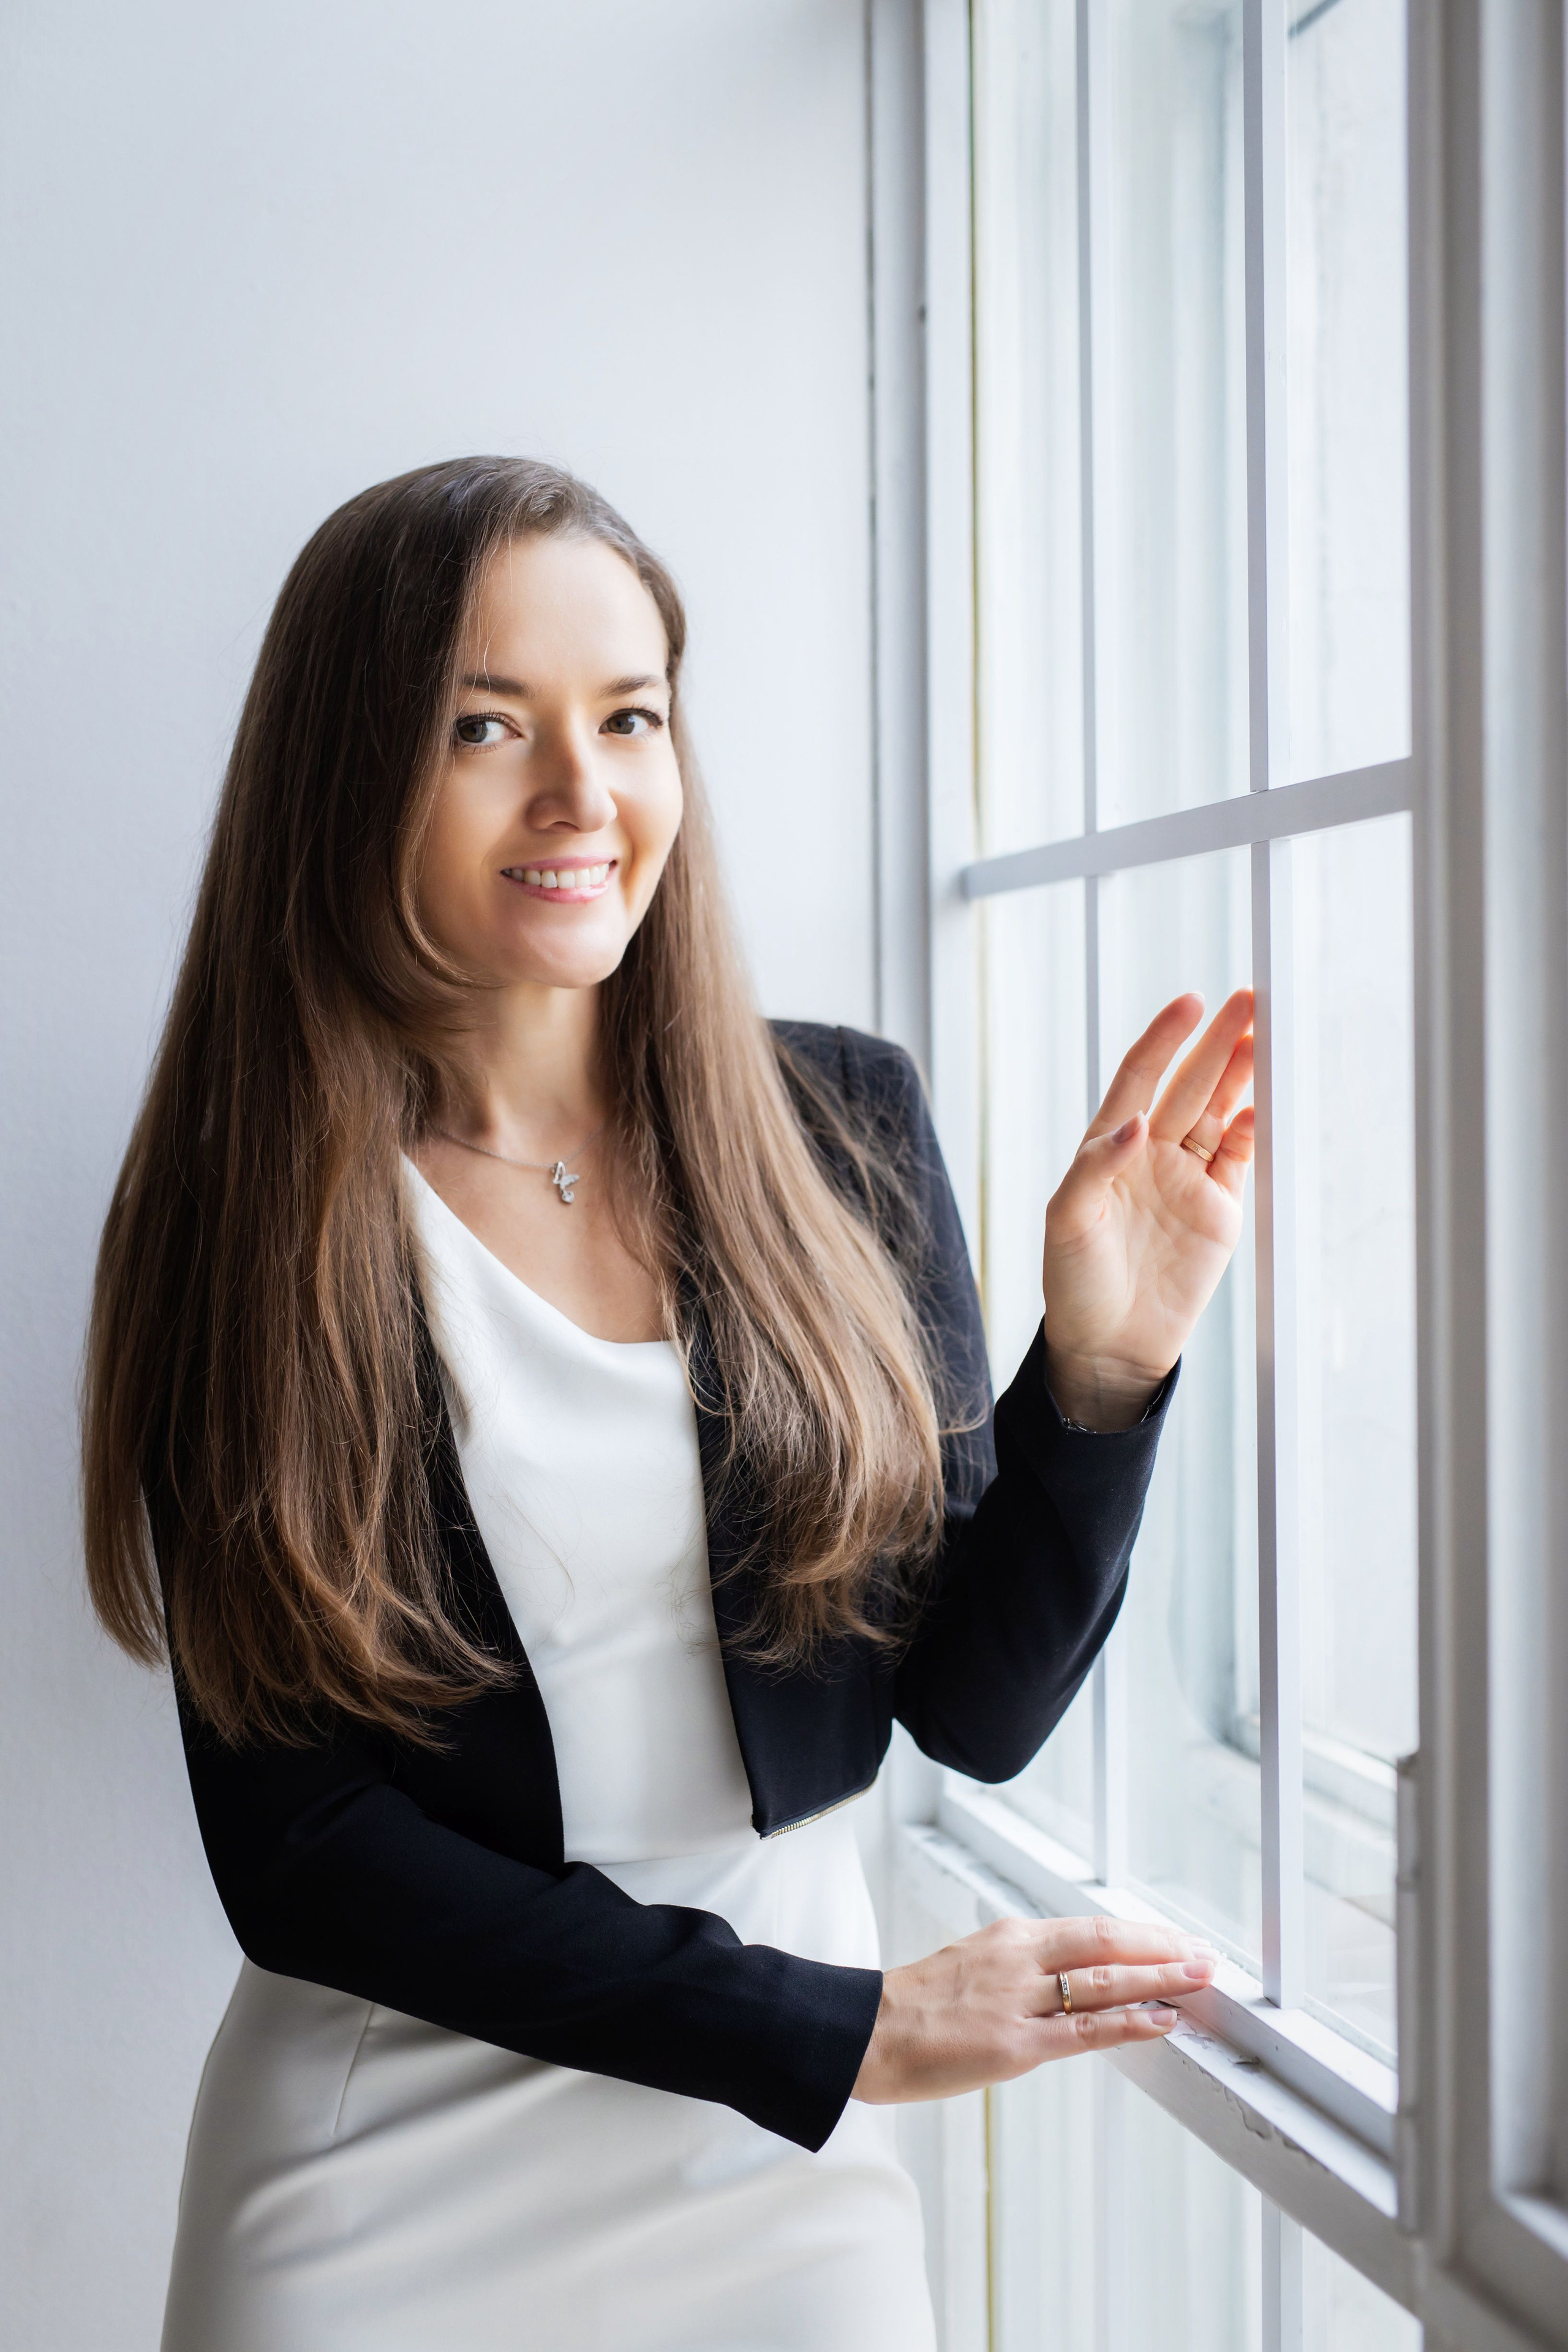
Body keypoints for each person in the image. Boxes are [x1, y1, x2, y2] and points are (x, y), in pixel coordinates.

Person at [81, 457, 1256, 2352]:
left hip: (782, 2176)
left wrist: (1105, 1372)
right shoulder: (251, 1208)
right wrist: (842, 2029)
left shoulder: (841, 1129)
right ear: (351, 768)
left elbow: (974, 1707)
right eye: (487, 726)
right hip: (391, 2172)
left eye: (629, 716)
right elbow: (302, 1858)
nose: (583, 793)